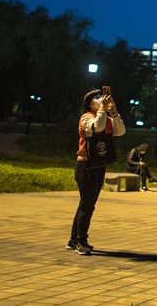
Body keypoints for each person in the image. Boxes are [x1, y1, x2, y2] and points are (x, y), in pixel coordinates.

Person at [67, 85, 126, 255]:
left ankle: (73, 240)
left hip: (99, 165)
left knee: (87, 204)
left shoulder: (105, 117)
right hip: (85, 166)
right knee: (87, 205)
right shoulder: (86, 117)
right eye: (97, 99)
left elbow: (120, 131)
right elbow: (97, 127)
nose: (102, 100)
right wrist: (103, 109)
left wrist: (113, 112)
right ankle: (81, 241)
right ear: (89, 104)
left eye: (103, 97)